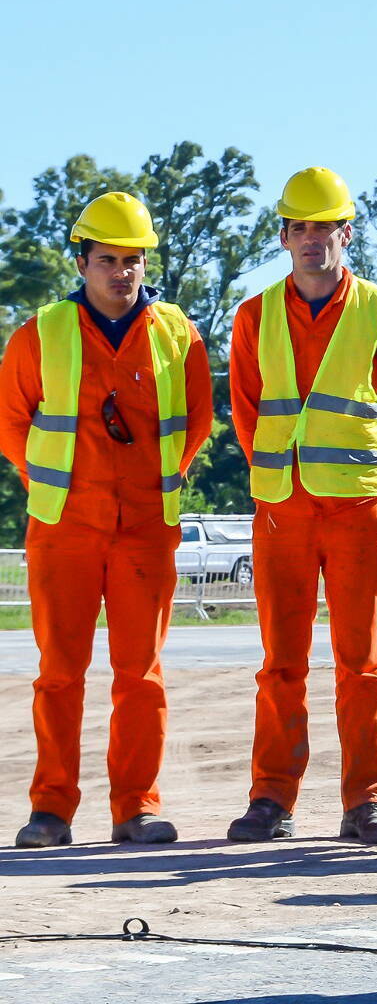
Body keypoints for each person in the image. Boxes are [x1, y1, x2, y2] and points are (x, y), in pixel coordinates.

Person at [0, 193, 213, 847]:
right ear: (82, 261)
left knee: (139, 675)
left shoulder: (178, 333)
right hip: (65, 526)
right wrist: (55, 490)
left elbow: (198, 421)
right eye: (108, 260)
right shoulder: (43, 332)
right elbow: (11, 423)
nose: (122, 273)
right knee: (59, 672)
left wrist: (156, 488)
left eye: (133, 260)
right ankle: (50, 811)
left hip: (146, 526)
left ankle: (137, 808)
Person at [228, 167, 377, 844]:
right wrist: (285, 476)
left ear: (347, 232)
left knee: (359, 664)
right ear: (284, 236)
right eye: (300, 227)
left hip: (356, 514)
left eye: (325, 227)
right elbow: (246, 412)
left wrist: (351, 473)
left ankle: (364, 801)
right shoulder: (253, 315)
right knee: (281, 663)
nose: (313, 240)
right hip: (282, 510)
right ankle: (271, 800)